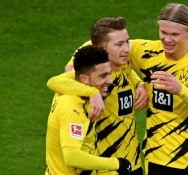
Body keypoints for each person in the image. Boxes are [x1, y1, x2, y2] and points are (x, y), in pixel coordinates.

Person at [128, 3, 188, 175]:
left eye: (174, 34)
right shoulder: (147, 51)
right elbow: (106, 42)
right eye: (163, 32)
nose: (167, 39)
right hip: (157, 157)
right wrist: (138, 83)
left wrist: (180, 89)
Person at [46, 17, 147, 175]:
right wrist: (91, 92)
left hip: (131, 161)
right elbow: (56, 81)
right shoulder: (85, 81)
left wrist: (139, 83)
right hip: (104, 165)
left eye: (127, 42)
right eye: (119, 44)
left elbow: (125, 70)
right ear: (100, 49)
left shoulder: (121, 61)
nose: (127, 49)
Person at [45, 45, 132, 175]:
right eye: (103, 76)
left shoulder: (71, 84)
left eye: (109, 74)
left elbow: (53, 81)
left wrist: (91, 92)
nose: (110, 81)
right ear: (84, 79)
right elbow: (72, 156)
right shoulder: (73, 109)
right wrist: (116, 164)